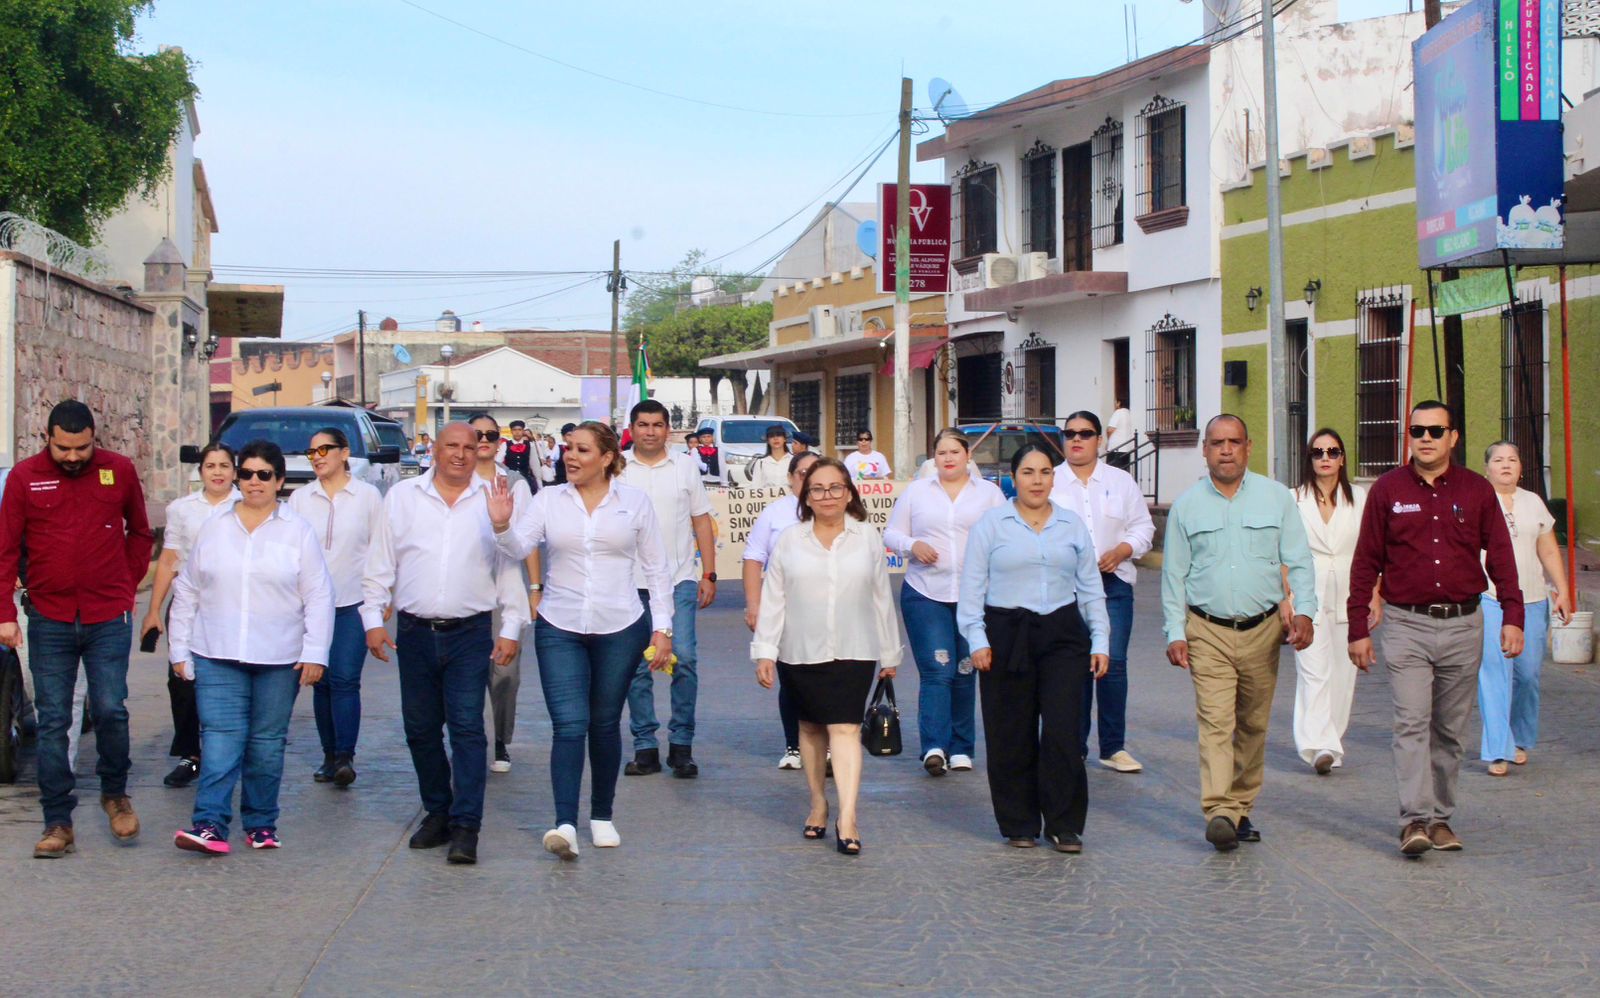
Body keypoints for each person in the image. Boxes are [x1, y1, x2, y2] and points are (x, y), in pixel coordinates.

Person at [1347, 401, 1524, 856]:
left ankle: (1441, 818)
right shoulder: (1387, 490)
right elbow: (1365, 561)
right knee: (1410, 722)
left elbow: (1501, 556)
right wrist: (1357, 628)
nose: (1425, 437)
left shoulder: (1477, 490)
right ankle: (1414, 820)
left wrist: (1513, 617)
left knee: (1450, 729)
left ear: (1453, 437)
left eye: (1435, 430)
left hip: (1465, 624)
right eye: (1417, 430)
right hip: (1407, 625)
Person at [492, 420, 673, 860]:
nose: (570, 457)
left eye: (582, 450)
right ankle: (565, 824)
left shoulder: (634, 502)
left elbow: (657, 568)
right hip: (560, 624)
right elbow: (518, 549)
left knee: (604, 723)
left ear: (607, 458)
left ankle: (602, 815)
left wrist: (663, 628)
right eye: (568, 449)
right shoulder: (549, 499)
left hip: (621, 624)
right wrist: (501, 525)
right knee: (569, 724)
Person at [362, 422, 527, 865]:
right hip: (415, 632)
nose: (459, 455)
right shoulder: (402, 498)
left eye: (468, 447)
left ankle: (466, 825)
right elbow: (380, 563)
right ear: (433, 450)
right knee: (420, 728)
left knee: (468, 729)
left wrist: (511, 626)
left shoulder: (491, 498)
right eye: (450, 446)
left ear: (479, 452)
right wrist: (372, 618)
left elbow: (509, 566)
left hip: (470, 633)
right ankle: (438, 810)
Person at [0, 400, 153, 859]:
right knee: (53, 722)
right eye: (64, 448)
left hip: (108, 616)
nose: (72, 456)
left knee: (110, 708)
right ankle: (57, 821)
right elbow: (6, 550)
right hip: (49, 617)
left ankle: (115, 794)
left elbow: (141, 533)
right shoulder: (24, 478)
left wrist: (125, 585)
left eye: (81, 448)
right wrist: (5, 613)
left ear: (94, 439)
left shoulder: (119, 470)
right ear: (47, 438)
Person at [168, 441, 333, 854]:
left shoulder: (297, 531)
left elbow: (318, 596)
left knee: (265, 743)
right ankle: (209, 825)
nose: (254, 482)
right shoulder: (216, 526)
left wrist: (316, 653)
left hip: (279, 658)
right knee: (221, 740)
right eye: (247, 474)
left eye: (264, 475)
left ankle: (261, 823)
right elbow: (187, 589)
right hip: (217, 653)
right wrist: (179, 651)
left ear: (279, 481)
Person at [1162, 414, 1315, 853]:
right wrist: (1175, 632)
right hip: (1206, 630)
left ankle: (1239, 805)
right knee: (1215, 722)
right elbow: (1174, 576)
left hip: (1263, 631)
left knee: (1252, 724)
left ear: (1248, 447)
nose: (1225, 450)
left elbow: (1300, 561)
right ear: (1205, 450)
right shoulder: (1187, 506)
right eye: (1216, 443)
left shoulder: (1276, 499)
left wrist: (1304, 613)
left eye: (1233, 442)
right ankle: (1219, 812)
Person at [957, 445, 1108, 853]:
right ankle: (1019, 821)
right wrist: (977, 639)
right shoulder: (991, 524)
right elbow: (971, 588)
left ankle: (1064, 823)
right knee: (1011, 732)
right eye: (1028, 472)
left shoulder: (1071, 525)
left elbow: (1091, 589)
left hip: (1062, 634)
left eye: (1044, 472)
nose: (1037, 480)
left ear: (1053, 478)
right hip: (1007, 633)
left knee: (1063, 730)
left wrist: (1101, 640)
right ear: (1013, 478)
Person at [753, 457, 901, 856]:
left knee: (847, 728)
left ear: (849, 492)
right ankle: (818, 801)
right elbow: (774, 599)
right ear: (806, 497)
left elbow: (880, 597)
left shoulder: (868, 536)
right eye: (817, 489)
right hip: (800, 649)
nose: (827, 496)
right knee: (811, 728)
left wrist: (890, 652)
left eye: (835, 487)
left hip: (856, 647)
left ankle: (847, 815)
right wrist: (765, 651)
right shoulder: (789, 540)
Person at [884, 428, 1004, 777]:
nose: (948, 458)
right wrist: (912, 545)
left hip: (975, 597)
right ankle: (934, 746)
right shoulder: (917, 493)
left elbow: (1005, 534)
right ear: (933, 458)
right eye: (941, 453)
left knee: (966, 669)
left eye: (955, 452)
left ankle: (962, 748)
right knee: (938, 670)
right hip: (926, 593)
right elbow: (892, 533)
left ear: (968, 456)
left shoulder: (990, 494)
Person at [1048, 411, 1155, 774]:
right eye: (1070, 433)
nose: (1077, 440)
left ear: (1100, 440)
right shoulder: (1051, 482)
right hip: (1067, 586)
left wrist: (1123, 550)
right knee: (1075, 665)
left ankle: (1113, 747)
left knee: (1114, 662)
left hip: (1113, 583)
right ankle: (1072, 746)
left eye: (1086, 433)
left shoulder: (1121, 482)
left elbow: (1143, 527)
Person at [620, 400, 716, 779]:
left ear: (668, 429)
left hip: (679, 579)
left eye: (657, 425)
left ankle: (682, 746)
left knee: (685, 659)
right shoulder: (617, 469)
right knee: (636, 665)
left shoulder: (686, 465)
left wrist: (708, 574)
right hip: (629, 583)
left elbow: (701, 521)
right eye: (643, 425)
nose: (650, 432)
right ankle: (645, 746)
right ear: (632, 428)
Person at [288, 427, 384, 788]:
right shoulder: (300, 499)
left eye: (324, 449)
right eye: (311, 452)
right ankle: (329, 756)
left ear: (344, 453)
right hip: (311, 607)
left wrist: (381, 599)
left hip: (353, 603)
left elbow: (381, 550)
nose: (317, 457)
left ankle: (345, 755)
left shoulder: (367, 496)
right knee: (322, 681)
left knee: (345, 678)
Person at [142, 442, 240, 789]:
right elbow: (169, 559)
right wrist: (154, 610)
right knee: (182, 678)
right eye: (210, 465)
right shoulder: (181, 509)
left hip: (232, 606)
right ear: (200, 471)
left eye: (224, 465)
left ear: (234, 470)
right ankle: (190, 754)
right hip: (187, 605)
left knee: (227, 677)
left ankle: (225, 751)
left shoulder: (245, 505)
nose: (217, 472)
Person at [1476, 441, 1572, 776]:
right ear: (1486, 467)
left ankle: (1518, 738)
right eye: (1498, 460)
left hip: (1531, 598)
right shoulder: (1477, 500)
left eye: (1512, 459)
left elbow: (1547, 550)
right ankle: (1497, 749)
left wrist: (1563, 590)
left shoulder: (1533, 503)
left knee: (1527, 675)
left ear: (1521, 467)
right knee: (1494, 671)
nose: (1506, 465)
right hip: (1489, 598)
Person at [1290, 428, 1373, 775]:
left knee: (1343, 674)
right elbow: (1283, 551)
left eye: (1333, 452)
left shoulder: (1359, 497)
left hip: (1350, 595)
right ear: (1309, 458)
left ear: (1342, 458)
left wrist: (1375, 595)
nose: (1325, 458)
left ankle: (1332, 742)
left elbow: (1371, 551)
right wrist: (1285, 599)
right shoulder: (1293, 498)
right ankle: (1317, 743)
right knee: (1313, 672)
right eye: (1318, 452)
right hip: (1306, 594)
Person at [466, 413, 538, 774]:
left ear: (499, 442)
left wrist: (536, 587)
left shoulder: (514, 483)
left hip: (505, 589)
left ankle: (499, 739)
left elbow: (529, 540)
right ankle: (472, 738)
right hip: (462, 591)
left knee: (504, 675)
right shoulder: (452, 481)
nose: (483, 440)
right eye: (476, 434)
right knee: (466, 673)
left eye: (490, 435)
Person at [743, 451, 821, 769]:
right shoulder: (775, 514)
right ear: (790, 478)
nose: (808, 479)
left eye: (815, 472)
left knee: (826, 678)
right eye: (802, 473)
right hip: (785, 609)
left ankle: (826, 746)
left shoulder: (837, 511)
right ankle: (795, 746)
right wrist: (754, 606)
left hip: (829, 608)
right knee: (793, 678)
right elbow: (753, 558)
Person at [502, 420, 539, 495]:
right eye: (514, 430)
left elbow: (535, 465)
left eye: (519, 430)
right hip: (510, 479)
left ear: (523, 431)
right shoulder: (505, 445)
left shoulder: (530, 445)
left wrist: (539, 483)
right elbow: (498, 463)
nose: (517, 432)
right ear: (511, 431)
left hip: (525, 478)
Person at [1102, 399, 1133, 468]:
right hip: (1126, 448)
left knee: (1112, 471)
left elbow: (1110, 429)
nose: (1115, 404)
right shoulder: (1128, 413)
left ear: (1119, 403)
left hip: (1116, 448)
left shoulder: (1118, 412)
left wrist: (1108, 441)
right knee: (1123, 471)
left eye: (1115, 402)